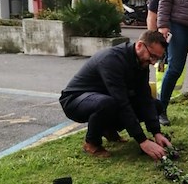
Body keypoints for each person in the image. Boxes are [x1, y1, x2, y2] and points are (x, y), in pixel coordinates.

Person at [59, 30, 171, 160]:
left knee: (155, 104)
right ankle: (92, 143)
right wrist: (142, 141)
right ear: (140, 45)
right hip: (75, 100)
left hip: (105, 97)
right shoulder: (112, 60)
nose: (153, 62)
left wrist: (156, 132)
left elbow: (144, 97)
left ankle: (107, 129)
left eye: (157, 58)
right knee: (108, 103)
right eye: (152, 56)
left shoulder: (141, 62)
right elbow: (121, 101)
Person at [147, 0, 185, 98]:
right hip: (163, 37)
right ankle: (162, 96)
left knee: (177, 65)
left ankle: (174, 96)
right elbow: (151, 18)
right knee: (164, 65)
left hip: (177, 36)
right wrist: (154, 40)